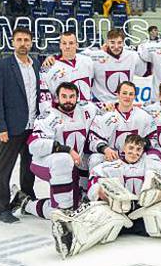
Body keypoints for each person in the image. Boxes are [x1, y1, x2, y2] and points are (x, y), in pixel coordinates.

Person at [52, 135, 161, 259]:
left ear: (142, 151)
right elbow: (93, 188)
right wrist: (106, 196)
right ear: (123, 147)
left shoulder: (154, 166)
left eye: (138, 150)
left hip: (143, 214)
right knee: (100, 212)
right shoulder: (107, 167)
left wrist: (158, 194)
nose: (134, 152)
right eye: (130, 148)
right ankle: (70, 237)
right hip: (118, 213)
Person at [11, 83, 97, 220]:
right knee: (63, 159)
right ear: (57, 98)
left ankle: (23, 202)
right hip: (45, 162)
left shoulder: (87, 110)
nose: (68, 100)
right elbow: (34, 145)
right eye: (64, 96)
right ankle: (64, 213)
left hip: (73, 165)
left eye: (71, 96)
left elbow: (107, 110)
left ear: (77, 97)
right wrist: (67, 150)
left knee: (77, 205)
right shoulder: (48, 116)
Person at [0, 28, 40, 223]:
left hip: (32, 126)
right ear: (13, 42)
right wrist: (0, 127)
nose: (23, 43)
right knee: (5, 168)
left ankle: (27, 199)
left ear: (31, 42)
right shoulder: (2, 66)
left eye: (26, 40)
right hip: (11, 128)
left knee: (29, 167)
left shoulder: (36, 64)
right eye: (19, 40)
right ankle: (2, 209)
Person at [87, 80, 155, 170]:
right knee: (95, 159)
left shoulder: (144, 116)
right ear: (118, 94)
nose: (127, 96)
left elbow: (154, 137)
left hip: (136, 155)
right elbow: (94, 139)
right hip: (113, 156)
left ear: (135, 96)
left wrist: (141, 146)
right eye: (124, 93)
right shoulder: (105, 116)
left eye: (131, 94)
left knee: (154, 158)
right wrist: (105, 149)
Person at [76, 29, 148, 104]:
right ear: (107, 42)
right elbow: (76, 58)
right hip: (101, 103)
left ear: (123, 43)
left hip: (123, 104)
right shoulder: (95, 55)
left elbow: (145, 72)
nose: (116, 46)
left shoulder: (132, 55)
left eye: (119, 43)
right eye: (112, 42)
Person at [38, 31, 95, 114]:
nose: (67, 46)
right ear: (60, 45)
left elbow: (103, 55)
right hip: (64, 115)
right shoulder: (49, 68)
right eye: (64, 43)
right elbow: (44, 99)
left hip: (87, 112)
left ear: (77, 45)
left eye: (71, 43)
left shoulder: (87, 60)